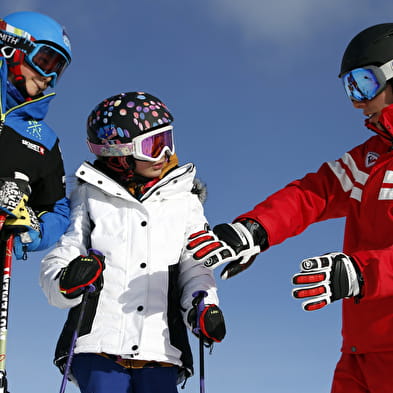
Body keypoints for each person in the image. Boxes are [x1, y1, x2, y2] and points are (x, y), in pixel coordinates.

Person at [187, 23, 393, 392]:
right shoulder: (371, 159)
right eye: (349, 88)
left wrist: (361, 273)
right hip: (359, 354)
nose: (357, 102)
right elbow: (314, 193)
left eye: (364, 83)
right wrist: (254, 229)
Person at [40, 92, 226, 393]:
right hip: (98, 345)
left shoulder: (185, 202)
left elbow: (196, 267)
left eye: (167, 140)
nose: (165, 154)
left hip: (161, 349)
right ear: (119, 152)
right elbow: (65, 251)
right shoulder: (90, 197)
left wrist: (202, 307)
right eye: (153, 146)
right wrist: (65, 281)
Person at [0, 11, 72, 259]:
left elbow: (57, 210)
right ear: (11, 46)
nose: (48, 77)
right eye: (46, 61)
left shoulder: (43, 140)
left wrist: (35, 228)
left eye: (57, 69)